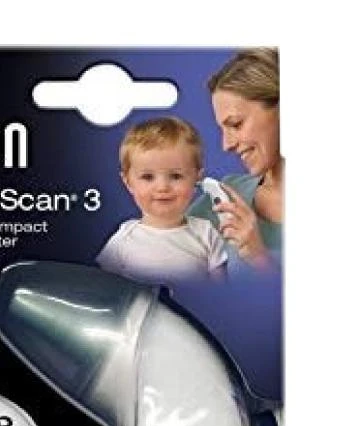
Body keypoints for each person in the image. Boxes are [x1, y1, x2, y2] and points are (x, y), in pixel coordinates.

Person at [97, 117, 227, 284]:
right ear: (128, 182)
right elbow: (104, 291)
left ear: (197, 178)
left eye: (176, 176)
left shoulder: (207, 233)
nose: (162, 187)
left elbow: (222, 291)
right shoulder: (122, 240)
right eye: (148, 177)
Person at [190, 48, 282, 269]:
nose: (227, 145)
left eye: (236, 124)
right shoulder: (225, 198)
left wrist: (259, 258)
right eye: (223, 129)